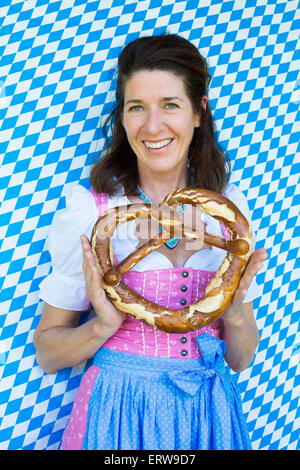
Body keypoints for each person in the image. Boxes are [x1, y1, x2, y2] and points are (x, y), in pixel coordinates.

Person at [35, 34, 268, 450]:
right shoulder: (91, 212)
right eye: (136, 107)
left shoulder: (228, 211)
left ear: (199, 113)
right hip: (118, 413)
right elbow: (48, 353)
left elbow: (240, 359)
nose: (153, 125)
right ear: (122, 119)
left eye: (171, 105)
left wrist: (234, 313)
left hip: (209, 414)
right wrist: (104, 326)